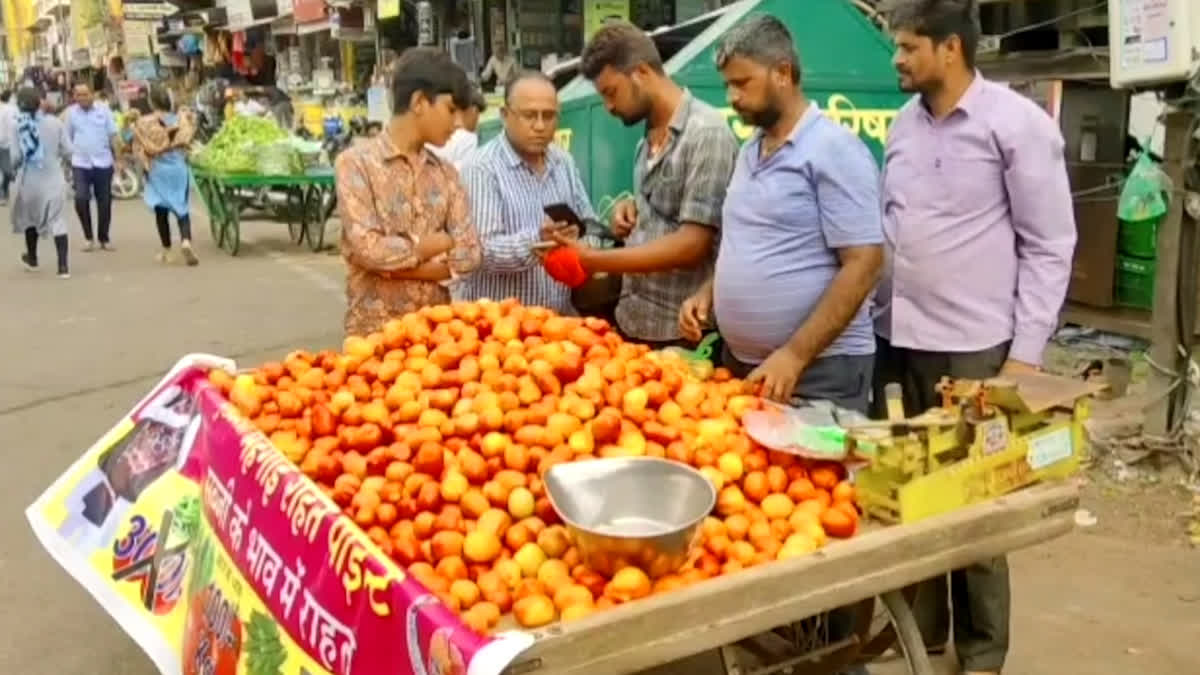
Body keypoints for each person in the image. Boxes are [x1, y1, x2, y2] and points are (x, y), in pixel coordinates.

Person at [873, 2, 1076, 674]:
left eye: (907, 48)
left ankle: (983, 655)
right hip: (899, 344)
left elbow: (1050, 243)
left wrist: (1025, 354)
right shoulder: (902, 126)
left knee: (980, 510)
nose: (897, 60)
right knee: (915, 500)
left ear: (950, 47)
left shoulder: (1014, 124)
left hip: (978, 351)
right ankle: (927, 642)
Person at [682, 14, 883, 411]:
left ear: (783, 73)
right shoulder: (749, 151)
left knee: (816, 475)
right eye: (727, 85)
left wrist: (794, 354)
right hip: (744, 369)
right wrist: (710, 293)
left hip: (819, 372)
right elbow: (750, 240)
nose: (732, 97)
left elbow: (865, 263)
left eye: (742, 83)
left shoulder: (834, 149)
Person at [554, 21, 738, 348]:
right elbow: (666, 212)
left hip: (682, 332)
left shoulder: (706, 133)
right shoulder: (646, 142)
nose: (609, 106)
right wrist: (633, 212)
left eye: (611, 92)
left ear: (640, 72)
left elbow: (691, 245)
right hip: (634, 321)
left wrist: (591, 260)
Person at [334, 47, 483, 337]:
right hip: (373, 338)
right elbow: (369, 249)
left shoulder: (446, 174)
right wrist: (433, 246)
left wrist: (388, 267)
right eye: (450, 110)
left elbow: (470, 255)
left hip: (437, 341)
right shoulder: (355, 165)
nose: (457, 124)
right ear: (419, 102)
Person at [457, 71, 599, 314]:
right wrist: (538, 241)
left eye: (549, 116)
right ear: (505, 115)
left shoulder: (563, 161)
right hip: (499, 326)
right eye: (529, 116)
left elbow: (591, 225)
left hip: (557, 319)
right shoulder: (482, 167)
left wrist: (580, 241)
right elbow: (482, 251)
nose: (540, 126)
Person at [132, 84, 199, 267]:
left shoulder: (144, 123)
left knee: (161, 211)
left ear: (151, 102)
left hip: (158, 170)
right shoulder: (181, 119)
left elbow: (135, 143)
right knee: (181, 207)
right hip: (178, 168)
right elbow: (189, 137)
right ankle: (185, 241)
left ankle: (167, 250)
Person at [11, 86, 74, 278]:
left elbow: (15, 157)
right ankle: (62, 267)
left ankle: (33, 258)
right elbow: (68, 151)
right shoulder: (55, 123)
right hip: (53, 178)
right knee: (57, 221)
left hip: (29, 181)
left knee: (30, 220)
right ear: (39, 102)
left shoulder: (18, 126)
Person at [64, 83, 120, 252]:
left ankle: (104, 237)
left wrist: (119, 158)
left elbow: (113, 135)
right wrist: (68, 159)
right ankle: (88, 237)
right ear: (74, 97)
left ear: (92, 94)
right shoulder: (71, 114)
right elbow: (68, 138)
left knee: (104, 201)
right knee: (81, 199)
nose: (82, 98)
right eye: (78, 95)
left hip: (103, 162)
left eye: (85, 94)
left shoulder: (103, 111)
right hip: (80, 163)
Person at [428, 87, 486, 168]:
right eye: (478, 115)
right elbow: (463, 173)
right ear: (474, 110)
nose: (478, 121)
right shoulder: (468, 138)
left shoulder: (432, 132)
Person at [0, 90, 16, 204]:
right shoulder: (8, 109)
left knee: (7, 171)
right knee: (7, 170)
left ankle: (4, 189)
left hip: (7, 144)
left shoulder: (10, 109)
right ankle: (3, 193)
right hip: (4, 144)